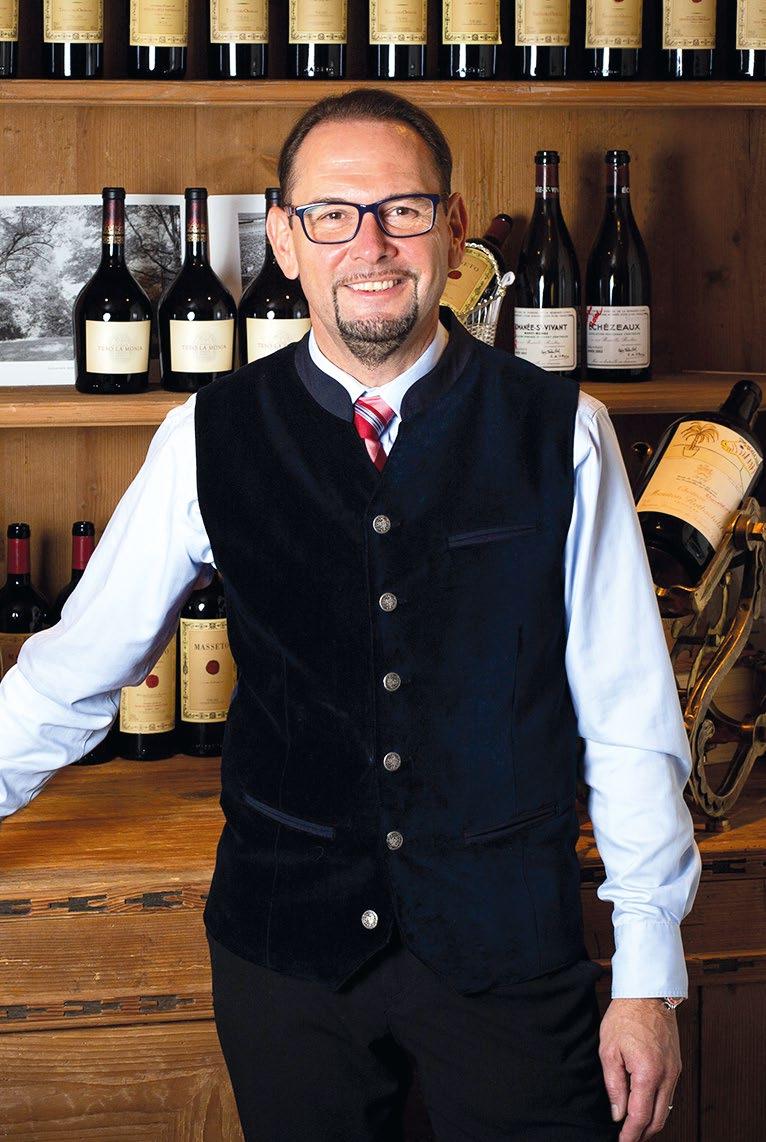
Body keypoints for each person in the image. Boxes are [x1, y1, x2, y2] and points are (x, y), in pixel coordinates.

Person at [0, 89, 700, 1142]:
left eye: (402, 210)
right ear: (285, 240)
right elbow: (69, 677)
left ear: (452, 230)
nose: (369, 245)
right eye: (332, 214)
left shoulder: (563, 431)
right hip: (287, 959)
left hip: (510, 952)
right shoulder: (205, 437)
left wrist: (649, 974)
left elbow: (628, 714)